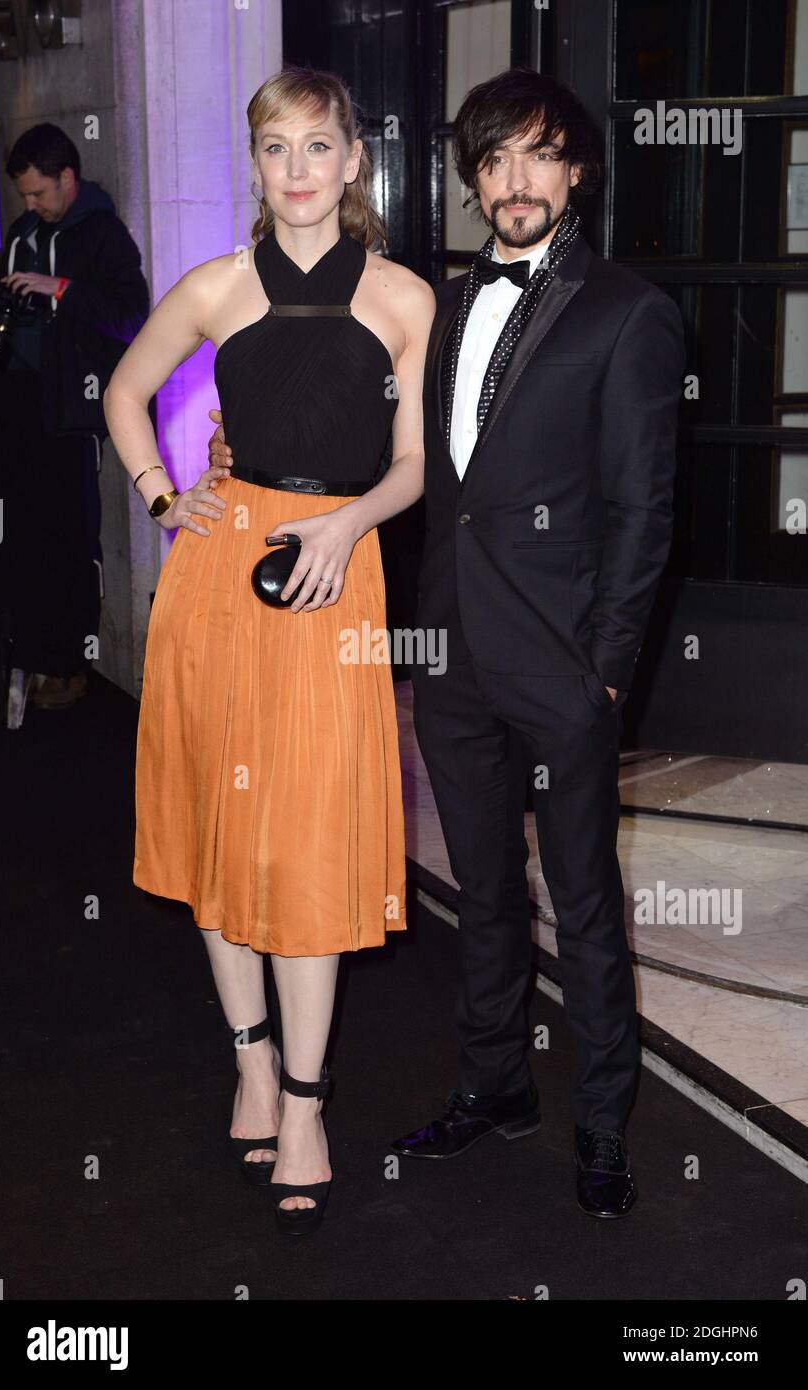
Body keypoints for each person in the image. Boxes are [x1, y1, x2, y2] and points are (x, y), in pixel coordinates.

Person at [104, 65, 433, 1235]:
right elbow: (126, 391)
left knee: (305, 840)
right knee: (217, 825)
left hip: (336, 574)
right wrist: (160, 495)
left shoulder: (403, 297)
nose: (296, 170)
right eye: (275, 149)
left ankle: (306, 1098)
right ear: (257, 166)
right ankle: (250, 1060)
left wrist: (348, 522)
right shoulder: (216, 285)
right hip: (219, 574)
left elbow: (411, 464)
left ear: (355, 163)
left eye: (317, 148)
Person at [388, 68, 685, 1217]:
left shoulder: (628, 311)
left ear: (577, 171)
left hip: (562, 665)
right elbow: (440, 481)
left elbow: (643, 512)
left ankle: (603, 1125)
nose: (513, 181)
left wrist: (607, 669)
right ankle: (495, 1085)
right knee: (483, 893)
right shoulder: (449, 304)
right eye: (493, 159)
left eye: (536, 156)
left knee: (586, 902)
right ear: (474, 178)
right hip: (455, 659)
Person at [0, 123, 149, 710]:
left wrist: (60, 288)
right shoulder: (23, 231)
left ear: (67, 178)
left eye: (38, 193)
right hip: (19, 405)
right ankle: (30, 657)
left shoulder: (102, 233)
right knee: (28, 540)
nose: (30, 205)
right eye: (24, 196)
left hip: (73, 410)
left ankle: (70, 666)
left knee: (70, 541)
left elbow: (131, 317)